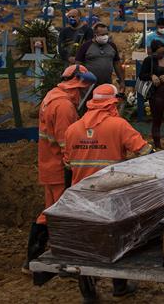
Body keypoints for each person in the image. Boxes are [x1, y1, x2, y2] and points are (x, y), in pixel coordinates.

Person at [64, 83, 150, 302]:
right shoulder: (119, 125)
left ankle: (88, 294)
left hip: (82, 196)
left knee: (86, 244)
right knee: (118, 241)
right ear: (112, 103)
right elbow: (145, 151)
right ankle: (119, 286)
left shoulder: (72, 129)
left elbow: (67, 163)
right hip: (113, 196)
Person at [25, 65, 96, 273]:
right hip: (58, 166)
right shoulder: (64, 106)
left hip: (48, 163)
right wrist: (72, 166)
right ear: (76, 86)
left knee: (50, 212)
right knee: (59, 213)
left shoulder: (51, 97)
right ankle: (43, 259)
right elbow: (67, 142)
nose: (82, 94)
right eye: (82, 90)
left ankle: (33, 259)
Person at [138, 40, 164, 149]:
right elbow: (142, 75)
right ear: (153, 52)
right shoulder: (149, 60)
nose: (162, 55)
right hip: (156, 95)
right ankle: (157, 145)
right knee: (157, 119)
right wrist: (151, 76)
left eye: (163, 52)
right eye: (159, 53)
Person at [75, 23, 125, 89]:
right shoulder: (86, 46)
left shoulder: (112, 46)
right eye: (102, 35)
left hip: (107, 84)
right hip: (89, 85)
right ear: (95, 35)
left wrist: (122, 81)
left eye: (106, 34)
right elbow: (78, 64)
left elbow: (117, 63)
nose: (105, 36)